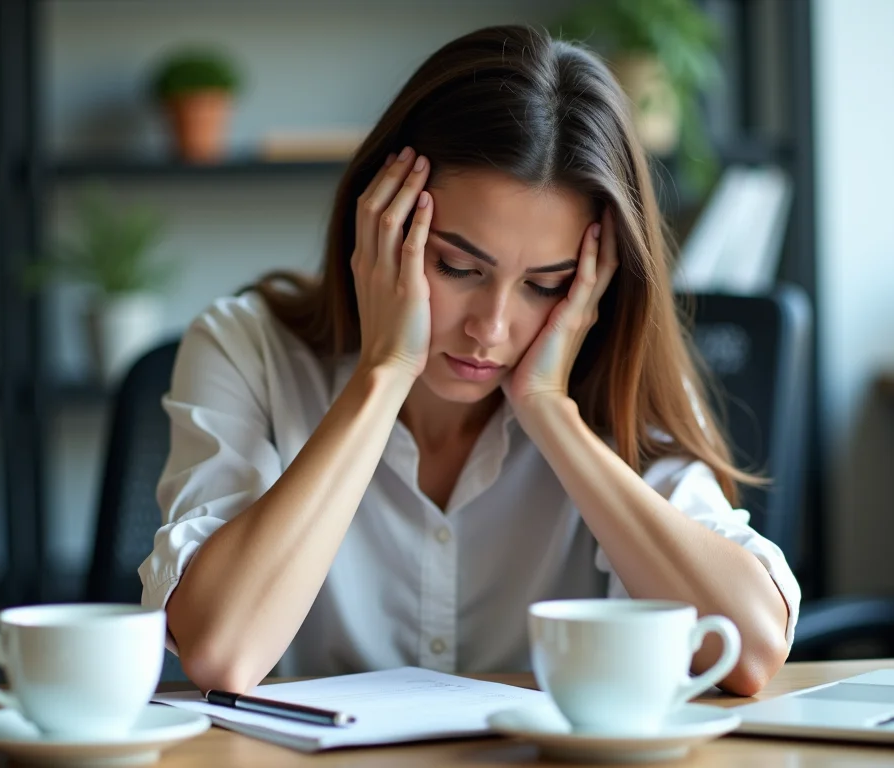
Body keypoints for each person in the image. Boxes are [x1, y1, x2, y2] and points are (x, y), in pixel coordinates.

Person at [138, 24, 800, 697]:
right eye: (456, 266)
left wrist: (553, 416)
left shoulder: (616, 366)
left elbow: (750, 649)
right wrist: (384, 373)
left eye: (546, 285)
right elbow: (222, 652)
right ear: (379, 222)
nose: (491, 327)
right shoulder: (244, 347)